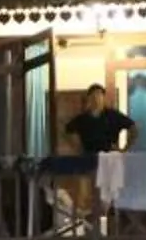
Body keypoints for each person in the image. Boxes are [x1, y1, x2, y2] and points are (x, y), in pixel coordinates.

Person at [57, 83, 134, 229]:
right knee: (90, 194)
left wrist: (125, 148)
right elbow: (66, 130)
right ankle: (92, 223)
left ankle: (109, 221)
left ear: (104, 98)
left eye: (99, 96)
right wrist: (75, 146)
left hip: (110, 158)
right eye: (93, 96)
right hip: (89, 158)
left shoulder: (112, 115)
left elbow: (133, 128)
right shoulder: (83, 118)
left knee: (110, 191)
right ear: (88, 99)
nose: (96, 99)